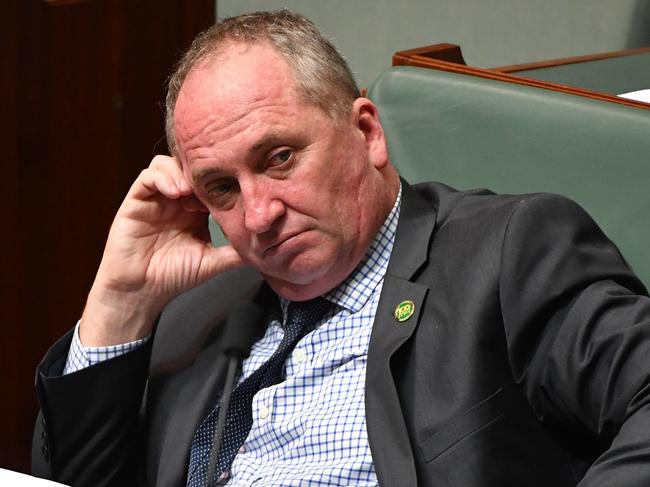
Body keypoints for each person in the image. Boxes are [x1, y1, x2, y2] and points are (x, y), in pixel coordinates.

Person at [32, 10, 650, 487]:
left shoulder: (507, 253)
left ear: (366, 132)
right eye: (221, 187)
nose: (258, 214)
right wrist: (121, 304)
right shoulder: (197, 315)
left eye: (279, 158)